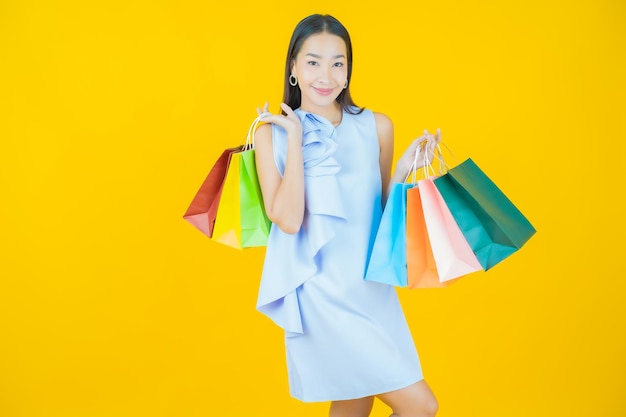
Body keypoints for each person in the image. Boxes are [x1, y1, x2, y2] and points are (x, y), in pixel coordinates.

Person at [253, 14, 439, 417]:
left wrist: (406, 168)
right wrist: (299, 135)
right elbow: (286, 219)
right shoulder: (269, 133)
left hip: (371, 290)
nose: (326, 75)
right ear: (294, 69)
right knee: (421, 406)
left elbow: (379, 214)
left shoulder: (377, 126)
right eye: (313, 62)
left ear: (349, 69)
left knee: (355, 404)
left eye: (338, 62)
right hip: (323, 293)